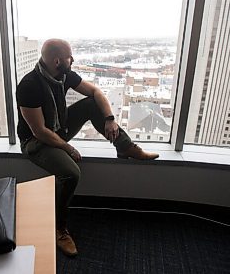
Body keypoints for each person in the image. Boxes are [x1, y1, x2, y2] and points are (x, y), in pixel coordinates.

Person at [16, 38, 159, 256]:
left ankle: (126, 147)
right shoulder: (29, 86)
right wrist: (69, 149)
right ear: (57, 61)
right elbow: (39, 131)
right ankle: (59, 229)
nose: (72, 60)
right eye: (69, 57)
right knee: (71, 173)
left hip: (58, 129)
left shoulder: (63, 75)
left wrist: (110, 119)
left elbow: (95, 92)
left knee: (92, 105)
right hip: (35, 141)